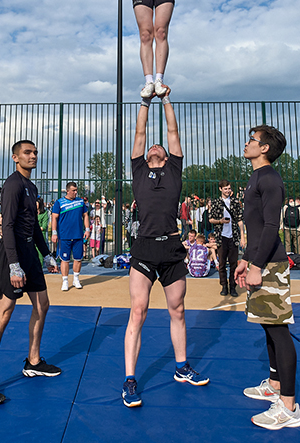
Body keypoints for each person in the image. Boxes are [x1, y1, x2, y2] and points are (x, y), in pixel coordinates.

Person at [122, 86, 207, 408]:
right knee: (138, 311)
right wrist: (145, 102)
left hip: (171, 248)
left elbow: (172, 129)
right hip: (144, 249)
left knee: (178, 310)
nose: (156, 145)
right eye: (150, 147)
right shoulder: (139, 169)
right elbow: (140, 131)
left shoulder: (174, 169)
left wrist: (166, 100)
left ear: (168, 155)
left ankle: (181, 367)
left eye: (162, 146)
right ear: (145, 156)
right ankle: (130, 379)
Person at [0, 140, 60, 406]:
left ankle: (33, 361)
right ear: (15, 157)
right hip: (12, 255)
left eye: (35, 152)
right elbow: (9, 226)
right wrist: (14, 265)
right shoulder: (13, 184)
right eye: (27, 152)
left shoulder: (31, 187)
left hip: (29, 254)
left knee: (43, 305)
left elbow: (33, 226)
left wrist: (46, 254)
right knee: (3, 313)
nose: (33, 155)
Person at [235, 125, 300, 430]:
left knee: (279, 331)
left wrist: (256, 265)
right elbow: (254, 227)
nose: (247, 143)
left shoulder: (270, 179)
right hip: (260, 261)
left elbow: (270, 226)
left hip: (271, 266)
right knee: (268, 326)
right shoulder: (255, 177)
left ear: (264, 148)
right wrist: (246, 260)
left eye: (252, 140)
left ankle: (289, 406)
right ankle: (275, 384)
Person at [51, 182, 90, 291]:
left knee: (78, 258)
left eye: (76, 190)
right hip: (64, 236)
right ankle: (65, 280)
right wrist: (54, 233)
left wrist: (87, 229)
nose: (75, 192)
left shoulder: (81, 202)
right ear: (67, 191)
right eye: (73, 190)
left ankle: (76, 279)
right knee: (65, 259)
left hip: (78, 235)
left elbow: (85, 215)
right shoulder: (59, 203)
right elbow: (54, 218)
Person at [207, 180, 244, 297]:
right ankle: (224, 285)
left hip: (233, 236)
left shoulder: (235, 202)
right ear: (220, 189)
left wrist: (242, 236)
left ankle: (233, 286)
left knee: (233, 263)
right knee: (222, 263)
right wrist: (220, 221)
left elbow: (240, 220)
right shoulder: (216, 202)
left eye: (229, 188)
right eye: (225, 189)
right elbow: (210, 219)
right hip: (221, 236)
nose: (228, 191)